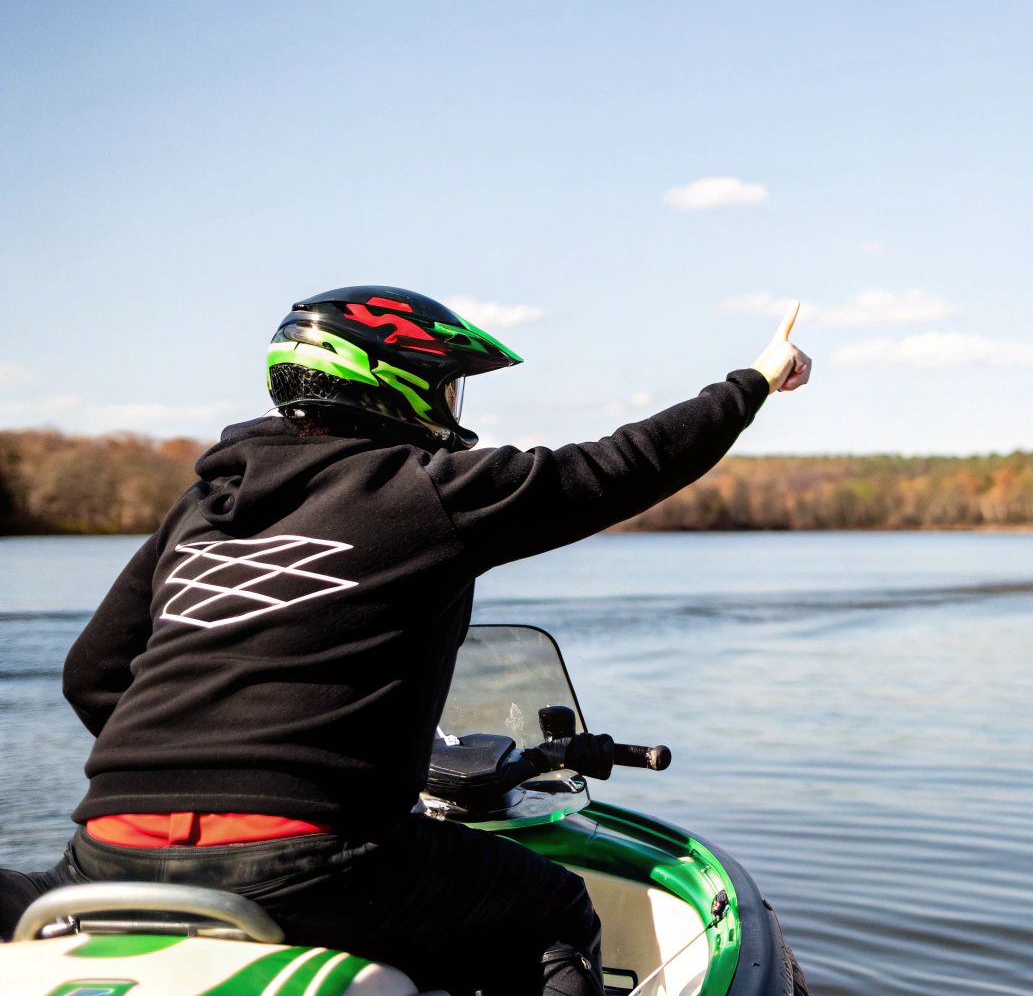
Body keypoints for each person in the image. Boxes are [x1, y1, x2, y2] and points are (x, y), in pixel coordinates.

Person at [0, 286, 811, 996]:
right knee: (550, 907)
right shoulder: (421, 493)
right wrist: (756, 380)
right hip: (308, 861)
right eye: (447, 388)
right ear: (395, 382)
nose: (454, 411)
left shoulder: (201, 507)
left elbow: (93, 674)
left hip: (106, 854)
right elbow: (624, 465)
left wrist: (204, 768)